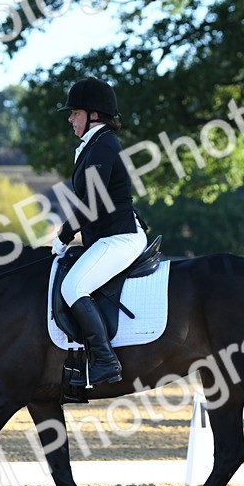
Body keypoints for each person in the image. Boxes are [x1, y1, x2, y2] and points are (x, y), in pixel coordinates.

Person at [51, 77, 147, 385]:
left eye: (75, 112)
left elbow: (92, 202)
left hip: (120, 237)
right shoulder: (92, 146)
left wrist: (64, 234)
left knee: (72, 288)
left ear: (94, 114)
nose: (69, 119)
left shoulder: (104, 144)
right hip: (105, 237)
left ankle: (106, 361)